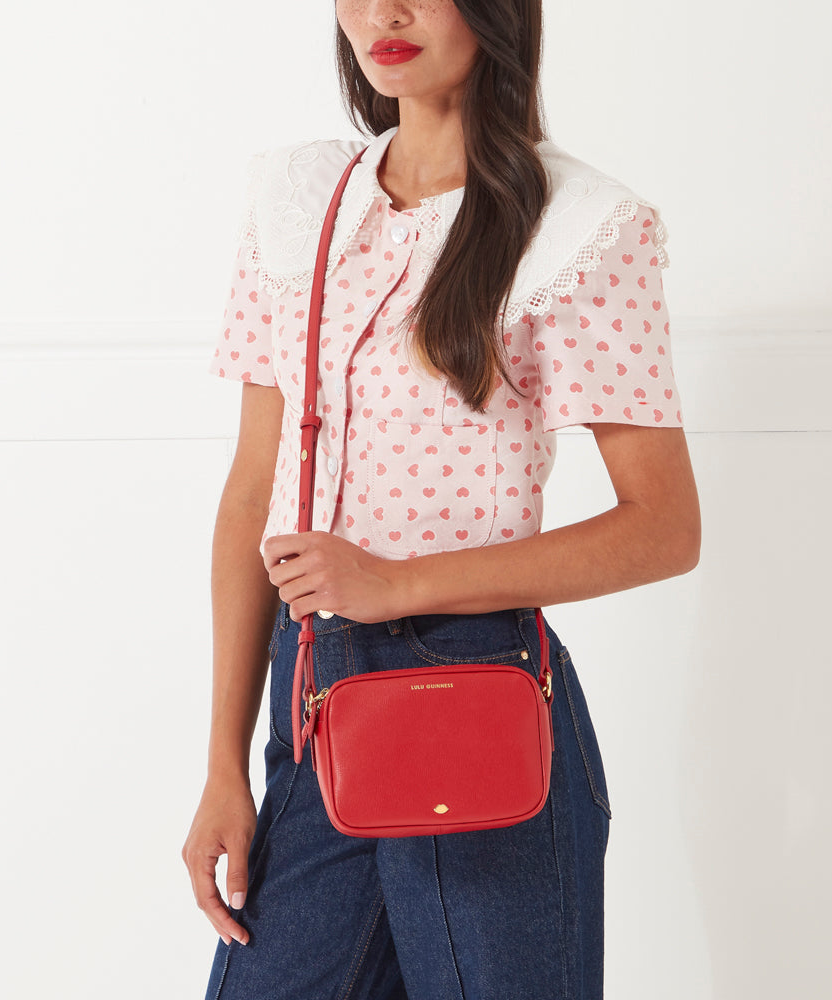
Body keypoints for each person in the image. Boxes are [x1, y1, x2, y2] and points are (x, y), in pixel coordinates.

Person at [182, 1, 701, 997]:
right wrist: (221, 765)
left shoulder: (580, 226)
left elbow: (664, 527)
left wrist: (399, 582)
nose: (385, 12)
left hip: (479, 703)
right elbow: (253, 493)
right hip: (310, 704)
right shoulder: (300, 202)